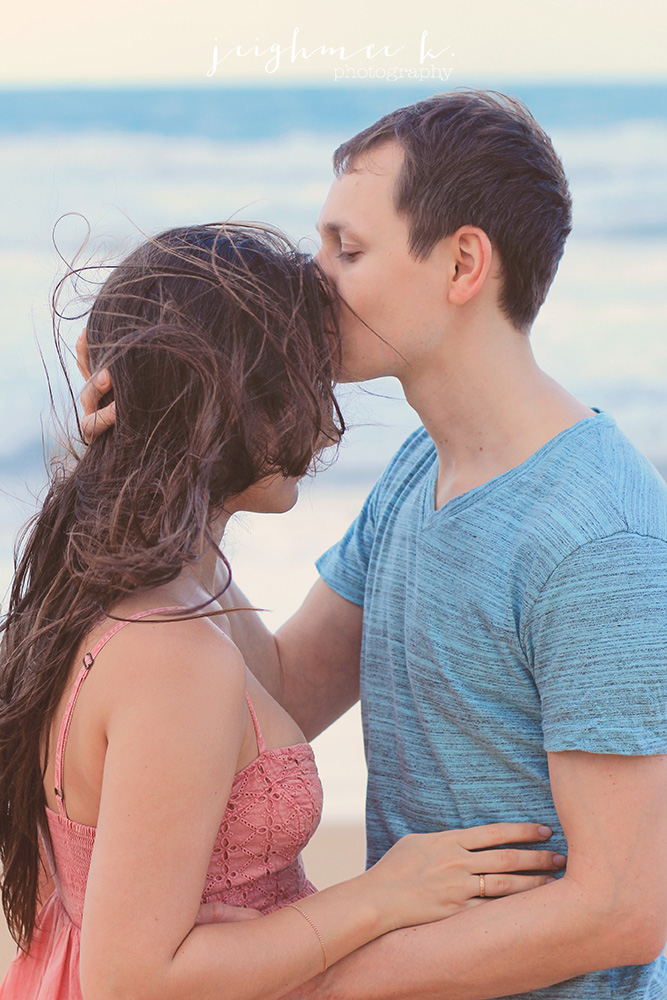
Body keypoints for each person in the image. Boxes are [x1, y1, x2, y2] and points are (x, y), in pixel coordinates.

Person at [80, 88, 667, 999]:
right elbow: (275, 696)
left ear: (462, 263)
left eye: (345, 250)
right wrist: (174, 475)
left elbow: (621, 905)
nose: (312, 279)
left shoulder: (596, 535)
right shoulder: (414, 472)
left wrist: (309, 980)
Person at [0, 221, 562, 1000]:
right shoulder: (171, 650)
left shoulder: (130, 575)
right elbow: (132, 981)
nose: (327, 426)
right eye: (307, 392)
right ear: (234, 408)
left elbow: (279, 683)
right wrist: (376, 898)